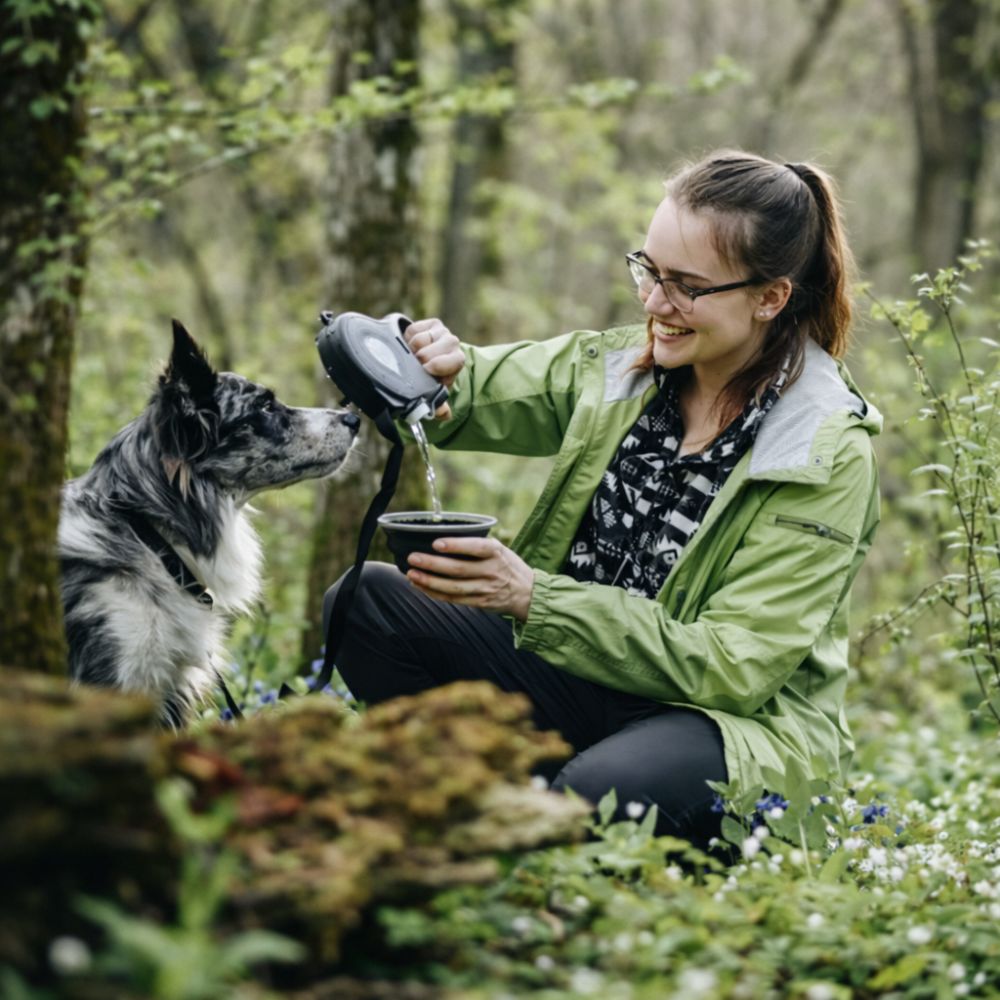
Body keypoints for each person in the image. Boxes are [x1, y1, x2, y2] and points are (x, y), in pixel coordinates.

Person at [323, 149, 880, 851]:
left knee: (601, 789)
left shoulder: (823, 450)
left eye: (687, 287)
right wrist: (426, 361)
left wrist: (534, 597)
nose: (654, 303)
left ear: (770, 298)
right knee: (365, 603)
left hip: (729, 726)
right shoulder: (628, 367)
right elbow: (481, 386)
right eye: (649, 270)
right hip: (585, 676)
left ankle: (569, 830)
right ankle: (486, 827)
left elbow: (732, 665)